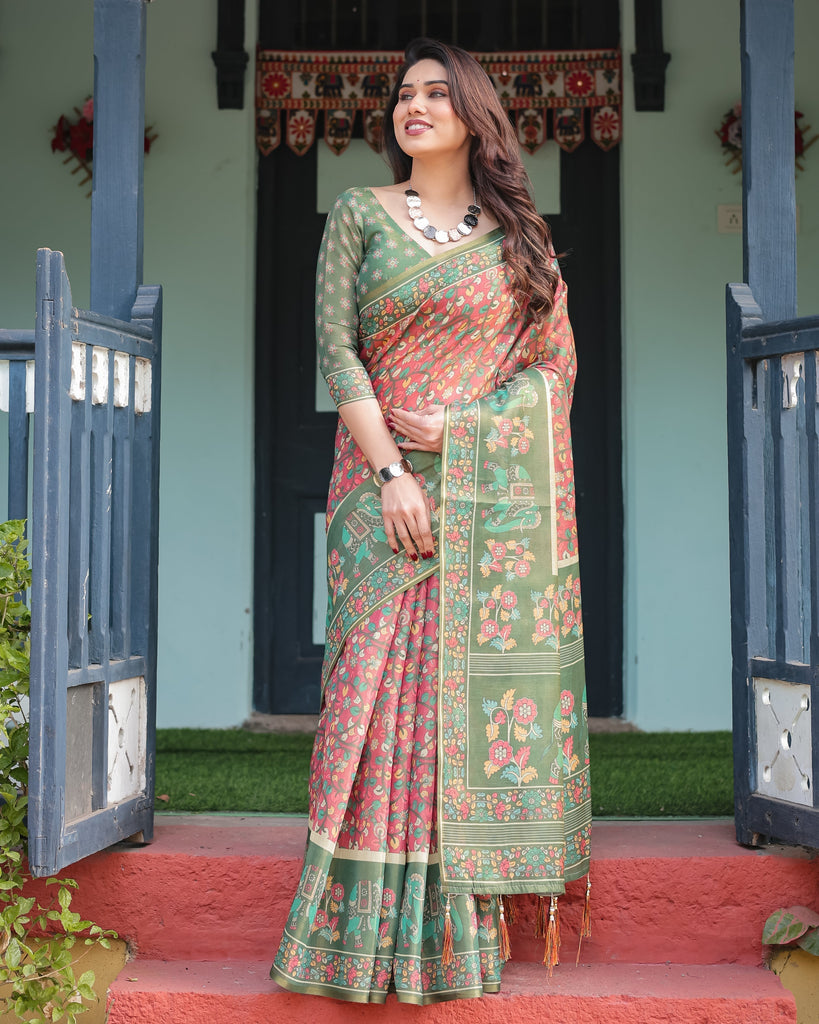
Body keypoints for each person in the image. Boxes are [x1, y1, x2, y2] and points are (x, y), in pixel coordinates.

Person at [271, 37, 590, 1004]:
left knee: (453, 718)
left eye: (435, 95)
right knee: (368, 701)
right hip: (379, 496)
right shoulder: (360, 214)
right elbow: (337, 354)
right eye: (403, 94)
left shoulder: (519, 241)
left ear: (473, 116)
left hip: (483, 507)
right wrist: (392, 475)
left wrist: (461, 429)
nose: (413, 106)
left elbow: (551, 374)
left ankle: (452, 945)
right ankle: (346, 944)